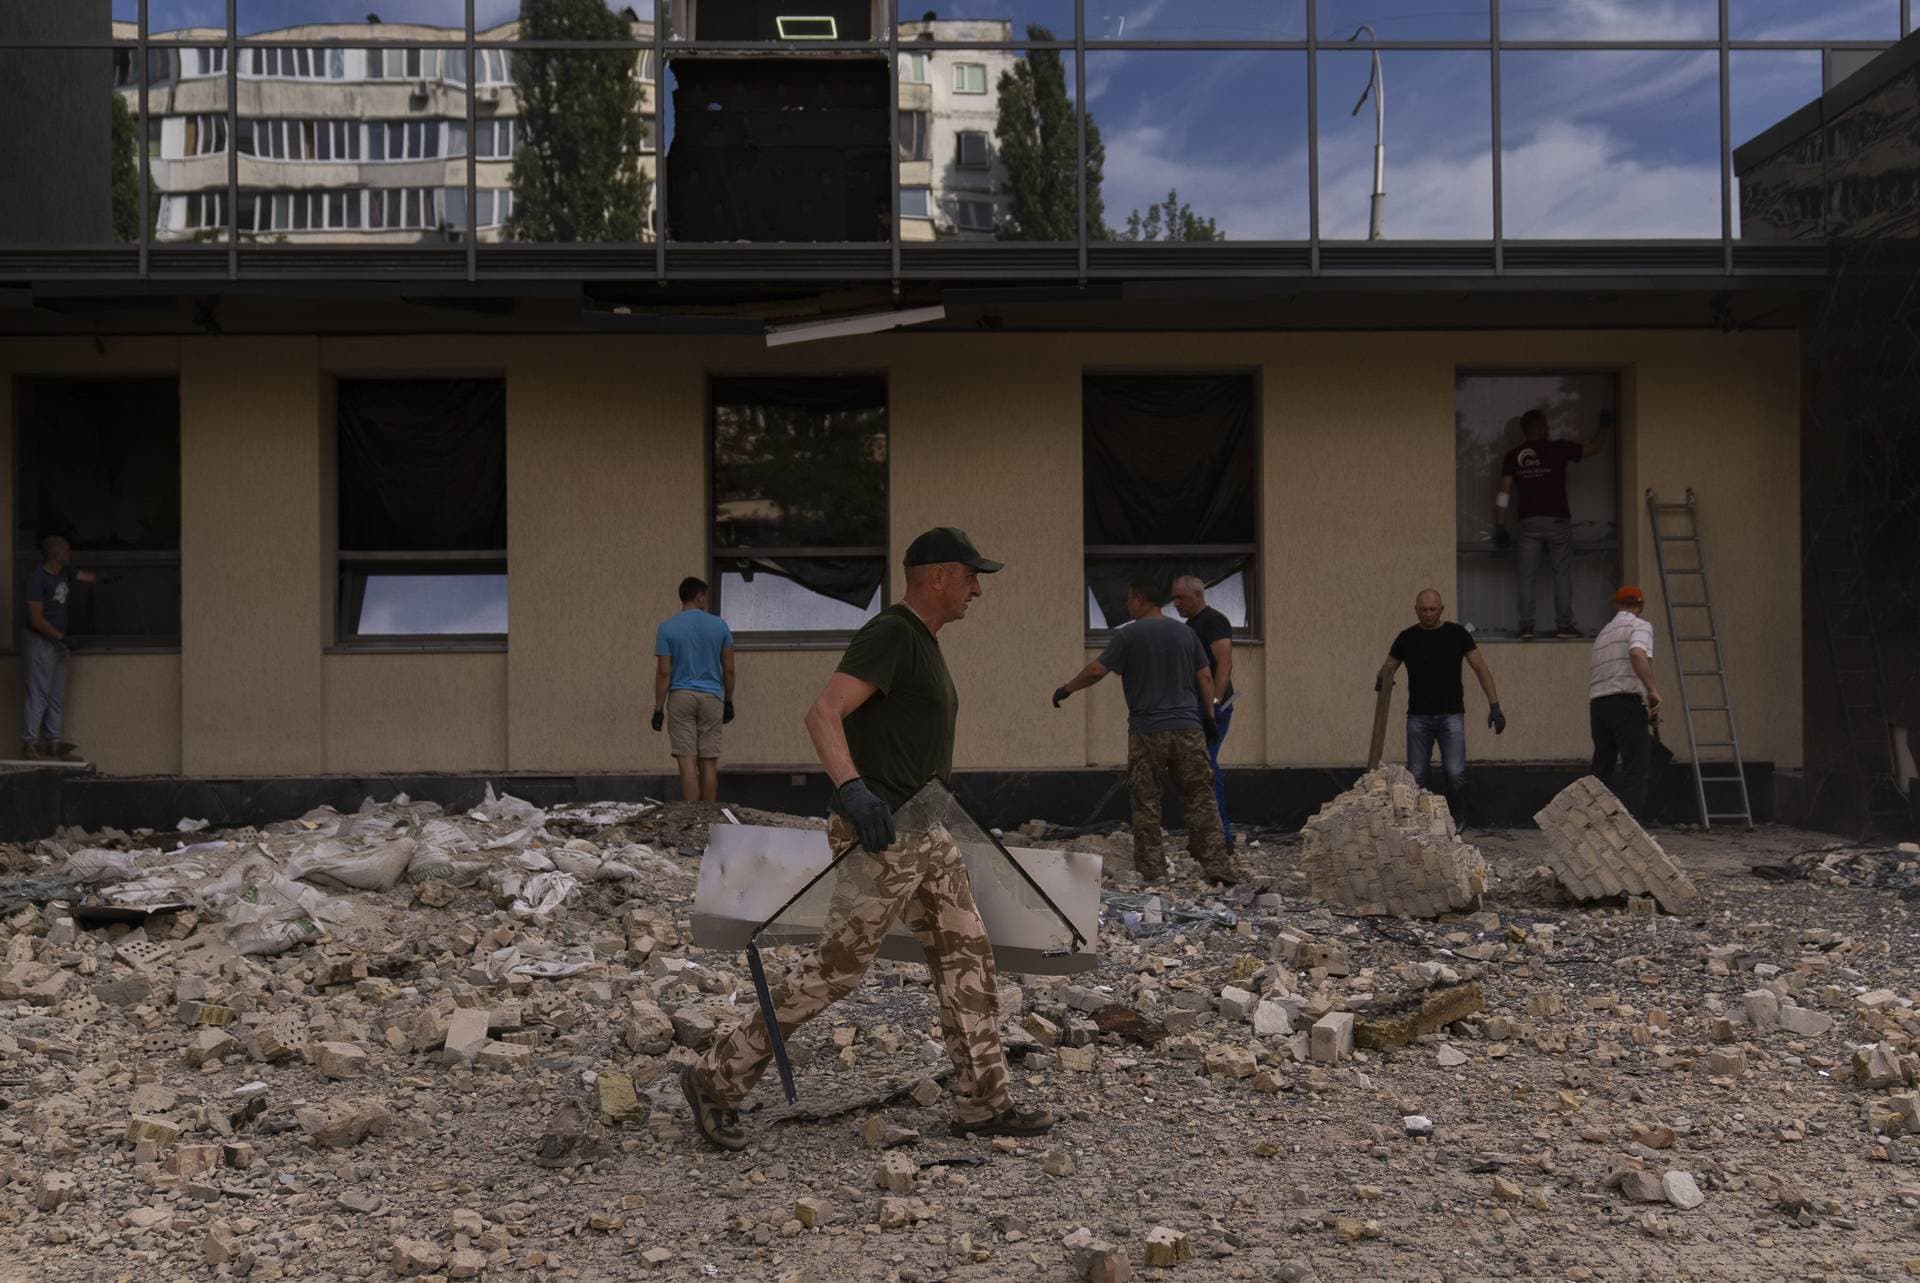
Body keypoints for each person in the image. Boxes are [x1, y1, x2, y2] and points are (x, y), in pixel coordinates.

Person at [683, 527, 1053, 1151]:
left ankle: (983, 1103)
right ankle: (717, 1079)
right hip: (883, 832)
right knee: (837, 971)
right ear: (936, 576)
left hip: (927, 828)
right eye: (970, 575)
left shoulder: (925, 644)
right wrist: (853, 791)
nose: (977, 590)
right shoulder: (892, 634)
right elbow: (822, 712)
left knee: (967, 959)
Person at [1051, 578, 1238, 885]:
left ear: (1139, 599)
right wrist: (1209, 717)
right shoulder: (1186, 633)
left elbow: (1097, 670)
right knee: (1200, 797)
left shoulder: (1129, 635)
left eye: (1128, 600)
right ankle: (1217, 865)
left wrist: (1066, 689)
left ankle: (1154, 872)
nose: (1126, 606)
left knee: (1147, 801)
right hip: (1187, 728)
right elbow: (1205, 676)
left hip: (1147, 731)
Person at [1376, 590, 1505, 816]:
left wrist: (1494, 706)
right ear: (1416, 609)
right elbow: (1388, 667)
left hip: (1451, 715)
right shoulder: (1406, 638)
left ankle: (1457, 817)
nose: (1427, 614)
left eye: (1432, 609)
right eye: (1423, 609)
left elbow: (1480, 668)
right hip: (1418, 717)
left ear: (1441, 609)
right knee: (1416, 775)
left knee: (1455, 771)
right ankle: (1419, 821)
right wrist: (1382, 679)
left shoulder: (1457, 634)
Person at [1493, 407, 1612, 639]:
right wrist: (1605, 427)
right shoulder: (1558, 448)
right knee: (1561, 573)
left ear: (1525, 431)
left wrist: (1500, 524)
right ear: (1542, 427)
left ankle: (1527, 627)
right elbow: (1594, 448)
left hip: (1529, 523)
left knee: (1527, 575)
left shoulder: (1513, 455)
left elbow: (1503, 492)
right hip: (1557, 521)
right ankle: (1564, 626)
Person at [651, 577, 735, 803]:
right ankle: (707, 818)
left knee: (687, 759)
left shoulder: (667, 628)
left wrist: (658, 709)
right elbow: (729, 669)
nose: (705, 601)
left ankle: (691, 816)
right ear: (699, 596)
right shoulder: (720, 626)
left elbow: (664, 673)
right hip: (712, 698)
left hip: (680, 697)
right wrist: (728, 701)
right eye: (705, 597)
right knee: (708, 760)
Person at [1170, 574, 1236, 847]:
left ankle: (1222, 836)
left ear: (1197, 596)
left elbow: (1224, 665)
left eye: (1180, 597)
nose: (1175, 603)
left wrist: (1215, 707)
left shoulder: (1214, 621)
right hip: (1196, 706)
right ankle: (1207, 834)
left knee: (1206, 765)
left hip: (1211, 707)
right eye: (1173, 597)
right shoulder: (1193, 625)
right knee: (1197, 768)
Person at [1589, 585, 1663, 822]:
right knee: (1635, 769)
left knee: (1602, 768)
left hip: (1599, 706)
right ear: (1640, 607)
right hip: (1626, 703)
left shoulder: (1603, 634)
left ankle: (1597, 826)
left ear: (1616, 605)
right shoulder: (1640, 626)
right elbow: (1637, 654)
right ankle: (1632, 832)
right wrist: (1652, 692)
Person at [21, 536, 96, 762]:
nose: (70, 554)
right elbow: (36, 619)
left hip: (60, 643)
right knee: (39, 693)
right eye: (66, 551)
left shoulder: (64, 572)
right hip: (41, 641)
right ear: (55, 555)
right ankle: (29, 743)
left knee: (56, 695)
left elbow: (85, 577)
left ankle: (53, 743)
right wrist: (60, 637)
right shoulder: (37, 580)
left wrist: (104, 580)